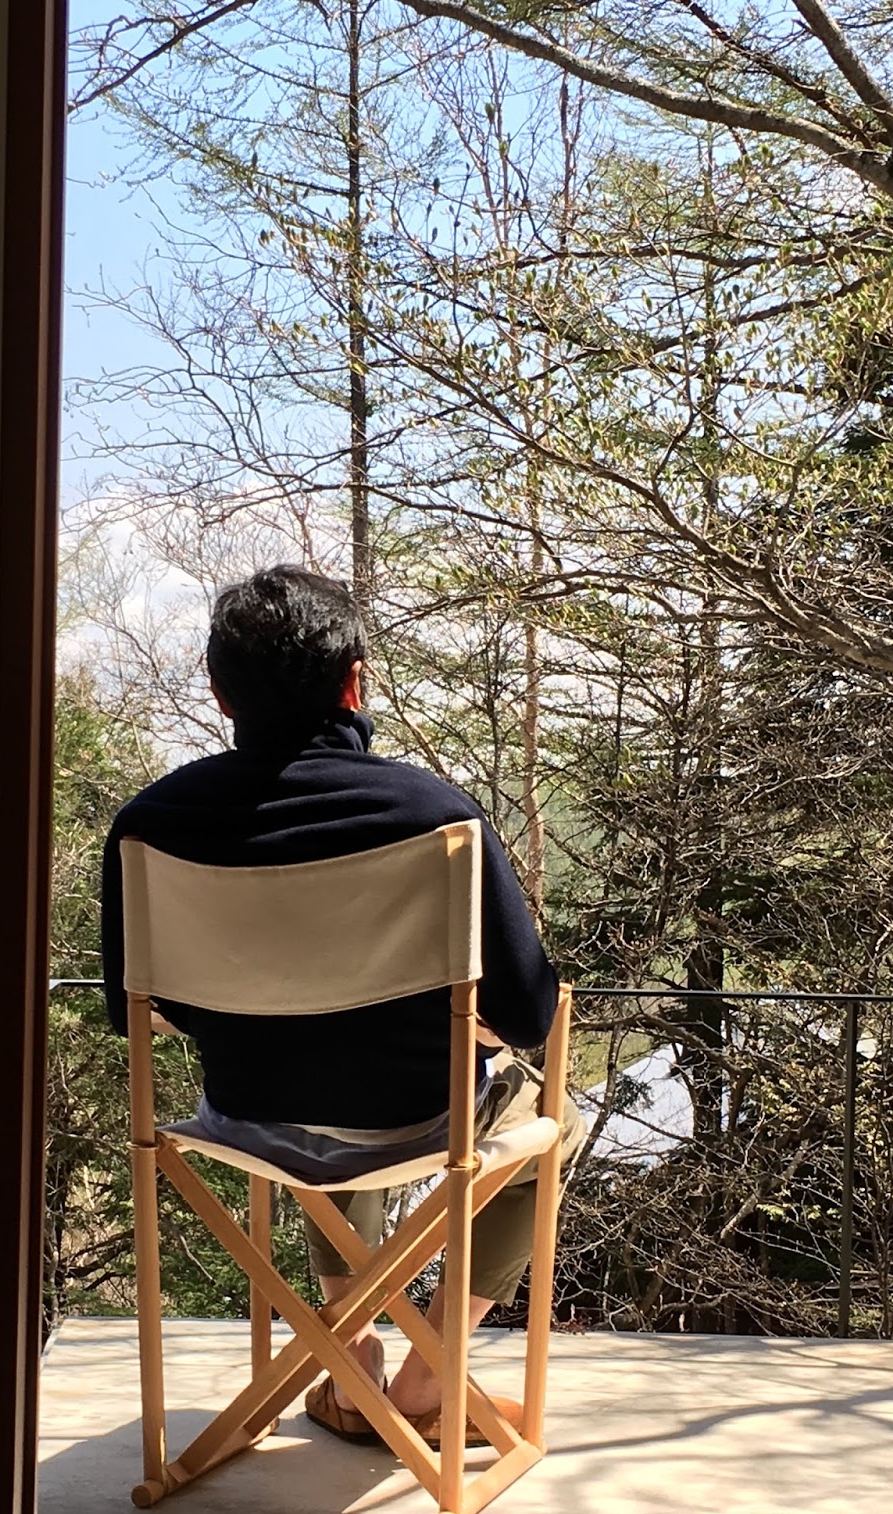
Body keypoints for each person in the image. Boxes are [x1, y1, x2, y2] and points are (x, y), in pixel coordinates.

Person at [101, 565, 583, 1448]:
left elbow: (139, 1005)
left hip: (247, 1121)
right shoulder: (435, 818)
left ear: (219, 690)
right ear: (354, 682)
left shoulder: (150, 824)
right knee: (553, 1113)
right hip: (419, 1121)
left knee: (320, 1112)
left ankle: (351, 1372)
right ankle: (429, 1380)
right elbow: (529, 1015)